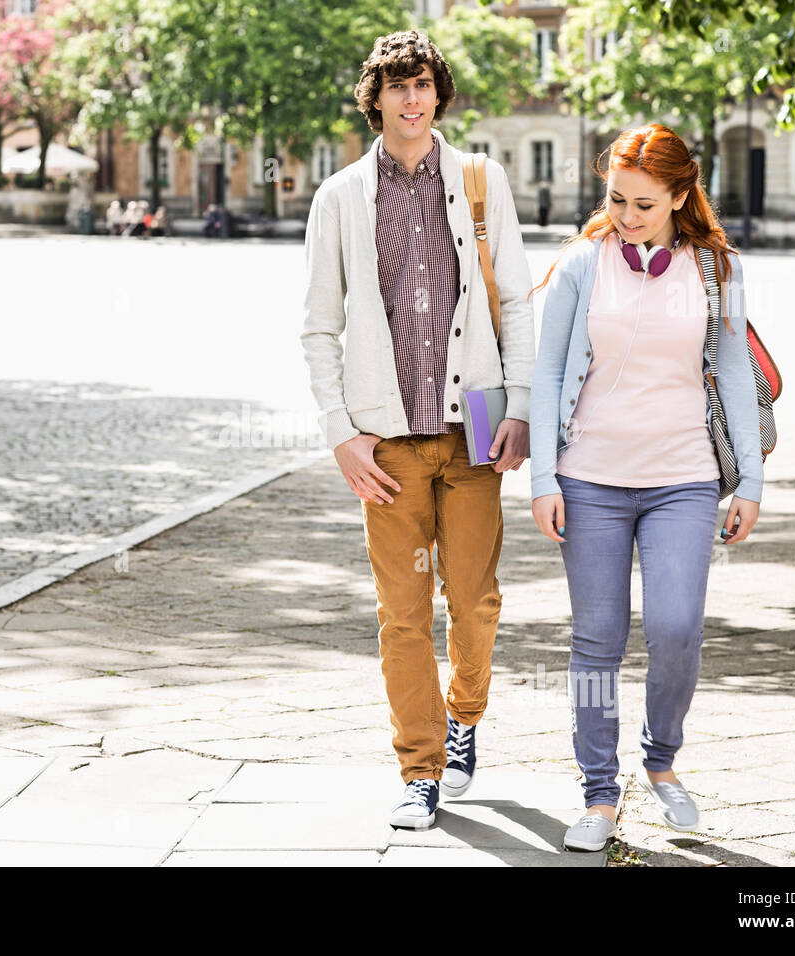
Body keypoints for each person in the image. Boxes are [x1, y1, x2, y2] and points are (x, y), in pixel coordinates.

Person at [301, 29, 535, 830]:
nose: (411, 99)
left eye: (423, 84)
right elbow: (317, 328)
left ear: (439, 93)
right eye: (396, 86)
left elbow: (517, 302)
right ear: (376, 99)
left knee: (472, 602)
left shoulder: (479, 180)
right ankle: (420, 770)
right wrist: (341, 431)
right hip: (388, 445)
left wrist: (526, 406)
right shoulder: (339, 198)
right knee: (403, 615)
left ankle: (464, 716)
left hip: (474, 434)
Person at [527, 123, 763, 852]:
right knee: (596, 642)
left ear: (682, 195)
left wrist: (749, 477)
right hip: (590, 479)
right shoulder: (581, 265)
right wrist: (543, 476)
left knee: (676, 627)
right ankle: (599, 792)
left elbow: (733, 372)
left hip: (683, 481)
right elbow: (547, 373)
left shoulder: (717, 268)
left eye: (644, 205)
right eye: (617, 201)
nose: (627, 218)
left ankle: (662, 761)